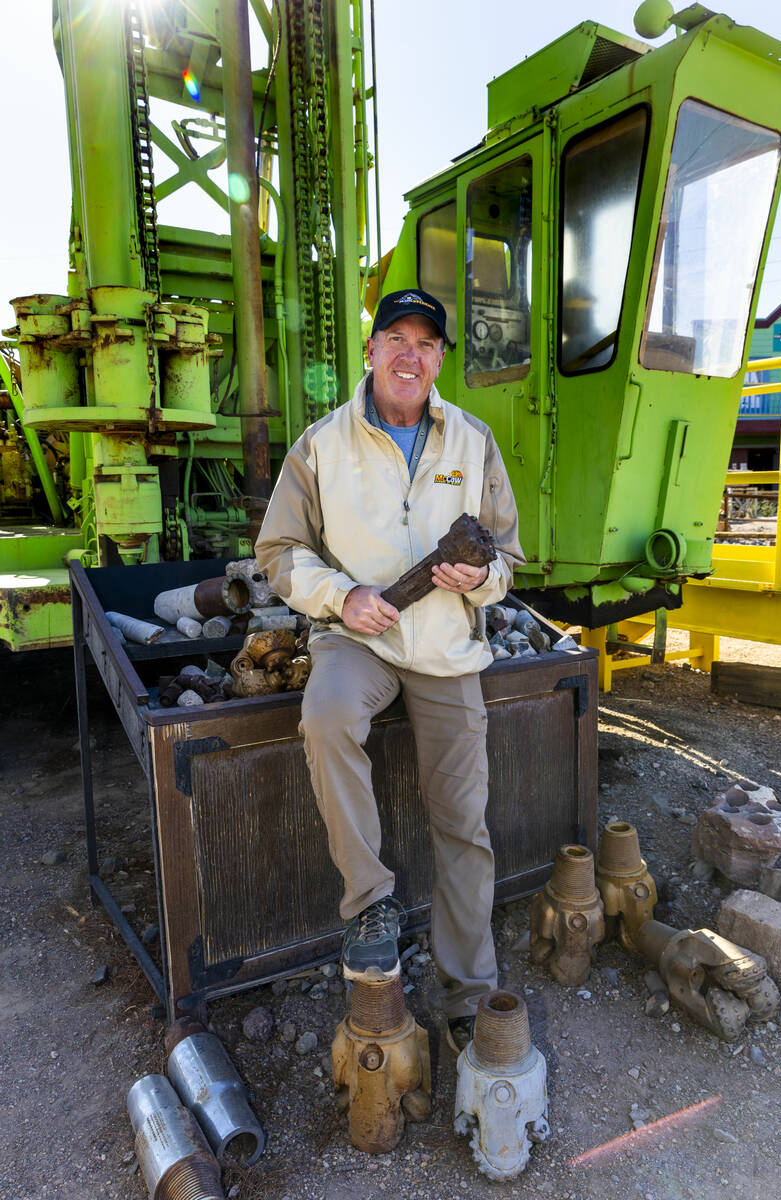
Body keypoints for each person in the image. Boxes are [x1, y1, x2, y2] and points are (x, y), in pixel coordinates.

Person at [255, 288, 524, 1051]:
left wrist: (483, 579)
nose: (411, 355)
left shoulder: (472, 442)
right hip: (359, 636)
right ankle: (370, 902)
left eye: (427, 343)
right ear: (369, 352)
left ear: (440, 359)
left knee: (463, 821)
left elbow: (506, 552)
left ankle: (469, 991)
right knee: (328, 714)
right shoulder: (321, 443)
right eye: (395, 339)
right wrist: (344, 596)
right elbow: (278, 553)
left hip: (444, 646)